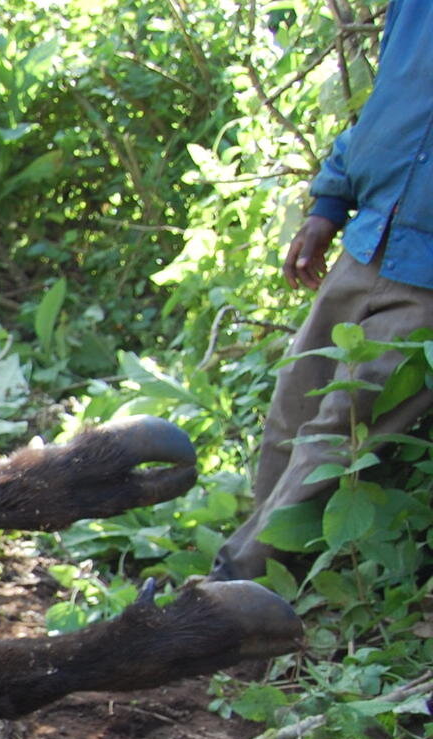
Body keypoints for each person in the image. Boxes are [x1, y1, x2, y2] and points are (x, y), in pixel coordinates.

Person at [211, 0, 433, 582]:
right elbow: (389, 108)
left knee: (341, 430)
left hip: (429, 280)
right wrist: (330, 203)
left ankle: (234, 589)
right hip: (370, 238)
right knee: (294, 402)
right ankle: (256, 587)